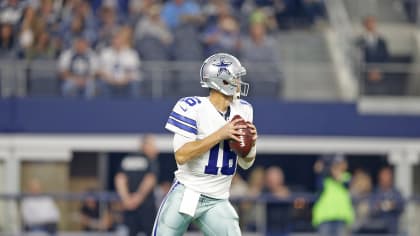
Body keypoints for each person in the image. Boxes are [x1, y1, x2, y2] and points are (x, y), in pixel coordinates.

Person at [152, 53, 258, 235]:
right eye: (236, 77)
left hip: (218, 199)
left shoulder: (244, 109)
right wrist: (220, 134)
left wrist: (251, 145)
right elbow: (181, 155)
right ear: (222, 81)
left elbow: (246, 163)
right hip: (188, 192)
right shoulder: (193, 107)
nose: (240, 82)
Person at [115, 134, 159, 236]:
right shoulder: (150, 160)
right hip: (146, 207)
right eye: (153, 145)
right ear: (145, 146)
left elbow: (120, 179)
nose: (156, 149)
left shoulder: (127, 158)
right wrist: (138, 197)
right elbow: (150, 179)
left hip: (129, 207)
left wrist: (126, 199)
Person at [312, 154, 354, 236]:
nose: (337, 167)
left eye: (340, 164)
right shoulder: (324, 179)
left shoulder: (347, 177)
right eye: (335, 165)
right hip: (325, 218)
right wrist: (320, 171)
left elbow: (347, 185)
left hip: (342, 218)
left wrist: (337, 176)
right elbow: (318, 186)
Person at [97, 28, 141, 98]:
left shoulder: (131, 53)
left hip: (127, 81)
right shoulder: (105, 53)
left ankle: (133, 106)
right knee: (102, 83)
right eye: (115, 39)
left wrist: (123, 81)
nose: (117, 41)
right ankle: (105, 106)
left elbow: (132, 71)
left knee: (134, 84)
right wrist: (112, 80)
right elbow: (101, 70)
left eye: (119, 39)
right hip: (110, 81)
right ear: (112, 40)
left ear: (123, 40)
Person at [369, 166, 404, 234]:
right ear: (380, 177)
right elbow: (371, 209)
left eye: (387, 176)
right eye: (383, 176)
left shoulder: (396, 192)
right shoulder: (374, 192)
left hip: (392, 228)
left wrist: (393, 205)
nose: (385, 178)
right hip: (377, 229)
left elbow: (401, 206)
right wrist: (378, 206)